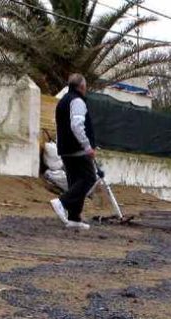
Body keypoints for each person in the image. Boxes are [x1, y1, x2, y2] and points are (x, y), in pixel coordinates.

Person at [50, 73, 98, 230]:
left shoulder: (63, 101)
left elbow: (59, 125)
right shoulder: (77, 101)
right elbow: (77, 125)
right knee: (89, 178)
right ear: (82, 87)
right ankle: (62, 202)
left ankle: (74, 218)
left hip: (65, 149)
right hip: (77, 149)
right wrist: (87, 146)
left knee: (75, 182)